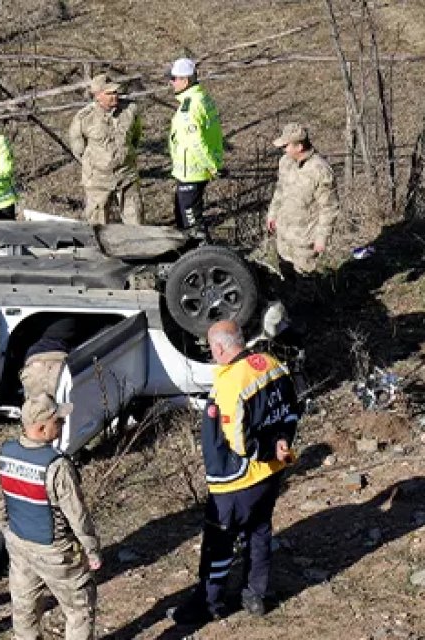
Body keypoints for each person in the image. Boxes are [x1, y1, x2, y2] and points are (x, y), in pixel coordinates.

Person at [169, 321, 300, 627]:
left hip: (236, 479)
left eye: (210, 349)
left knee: (219, 541)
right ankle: (255, 595)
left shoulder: (231, 382)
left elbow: (238, 442)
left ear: (219, 347)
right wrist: (282, 442)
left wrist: (266, 448)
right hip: (271, 473)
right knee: (259, 530)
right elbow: (292, 408)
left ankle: (209, 602)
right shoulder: (272, 364)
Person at [0, 393, 102, 640]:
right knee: (79, 609)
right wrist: (91, 550)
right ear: (41, 428)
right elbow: (77, 516)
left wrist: (8, 532)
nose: (62, 426)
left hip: (19, 546)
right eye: (58, 422)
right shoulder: (56, 466)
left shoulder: (2, 454)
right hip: (55, 551)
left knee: (24, 609)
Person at [259, 122, 341, 341]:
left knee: (305, 282)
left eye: (287, 145)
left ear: (299, 145)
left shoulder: (320, 170)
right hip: (285, 233)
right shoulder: (285, 162)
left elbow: (329, 207)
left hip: (306, 237)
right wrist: (272, 213)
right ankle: (289, 314)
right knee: (286, 274)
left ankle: (307, 323)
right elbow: (280, 190)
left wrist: (322, 237)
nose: (283, 149)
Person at [67, 74, 144, 225]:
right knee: (98, 226)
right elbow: (78, 149)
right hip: (98, 180)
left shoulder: (130, 110)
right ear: (98, 95)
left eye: (115, 92)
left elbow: (135, 137)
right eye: (109, 93)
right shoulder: (84, 118)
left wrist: (124, 156)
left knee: (136, 222)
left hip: (126, 175)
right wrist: (98, 163)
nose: (114, 96)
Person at [167, 57, 225, 233]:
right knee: (185, 218)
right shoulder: (202, 97)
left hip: (192, 172)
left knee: (192, 225)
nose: (171, 83)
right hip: (194, 170)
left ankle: (203, 258)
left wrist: (211, 166)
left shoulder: (190, 106)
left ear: (185, 80)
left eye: (174, 78)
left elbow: (196, 142)